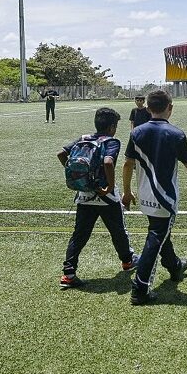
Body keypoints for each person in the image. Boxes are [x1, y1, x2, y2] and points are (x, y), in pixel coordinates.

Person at [122, 89, 187, 306]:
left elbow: (127, 163)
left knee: (160, 231)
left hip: (144, 195)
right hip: (165, 198)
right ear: (170, 108)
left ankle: (174, 266)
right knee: (156, 237)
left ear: (147, 109)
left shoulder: (136, 133)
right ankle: (140, 289)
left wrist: (127, 192)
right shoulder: (176, 134)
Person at [57, 107, 138, 289]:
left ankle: (68, 274)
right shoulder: (112, 141)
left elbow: (62, 154)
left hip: (84, 195)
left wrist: (78, 178)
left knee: (79, 235)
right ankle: (127, 261)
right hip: (105, 196)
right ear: (111, 127)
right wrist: (108, 186)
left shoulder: (84, 138)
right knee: (118, 231)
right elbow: (108, 162)